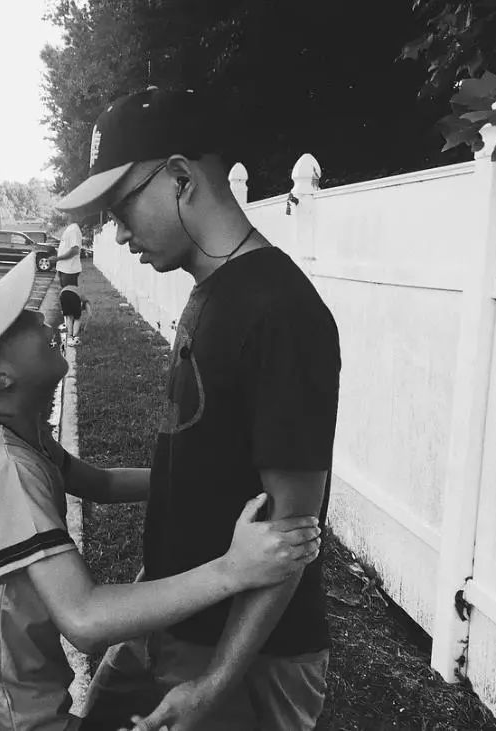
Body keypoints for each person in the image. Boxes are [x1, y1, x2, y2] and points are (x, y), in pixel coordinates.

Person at [0, 253, 322, 731]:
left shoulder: (8, 437)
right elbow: (85, 618)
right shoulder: (2, 468)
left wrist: (209, 480)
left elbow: (99, 483)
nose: (41, 316)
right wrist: (234, 569)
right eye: (18, 320)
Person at [57, 87, 342, 731]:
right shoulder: (211, 289)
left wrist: (213, 685)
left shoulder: (281, 314)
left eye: (122, 208)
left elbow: (292, 534)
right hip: (174, 621)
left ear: (181, 178)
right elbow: (202, 472)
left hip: (249, 659)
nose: (118, 232)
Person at [55, 220, 83, 287]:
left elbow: (74, 250)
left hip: (69, 271)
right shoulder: (69, 228)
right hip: (65, 270)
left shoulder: (73, 229)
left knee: (68, 292)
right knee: (65, 292)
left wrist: (57, 258)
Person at [59, 283, 85, 347]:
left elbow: (60, 298)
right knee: (77, 318)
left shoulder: (69, 288)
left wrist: (63, 309)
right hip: (74, 296)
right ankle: (74, 338)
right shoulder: (83, 295)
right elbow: (89, 314)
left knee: (69, 317)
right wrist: (85, 328)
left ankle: (69, 337)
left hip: (63, 295)